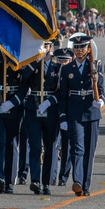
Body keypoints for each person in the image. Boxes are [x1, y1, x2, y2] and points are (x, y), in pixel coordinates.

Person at [57, 34, 105, 196]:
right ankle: (77, 181)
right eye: (76, 47)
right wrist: (63, 116)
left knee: (89, 151)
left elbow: (101, 89)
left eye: (82, 47)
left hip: (91, 111)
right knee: (77, 148)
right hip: (74, 111)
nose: (78, 51)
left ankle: (85, 185)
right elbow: (63, 95)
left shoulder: (95, 66)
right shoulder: (66, 69)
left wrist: (101, 101)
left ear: (88, 49)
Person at [19, 45, 70, 195]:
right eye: (41, 45)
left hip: (50, 111)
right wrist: (36, 62)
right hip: (33, 110)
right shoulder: (31, 64)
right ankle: (35, 180)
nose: (44, 48)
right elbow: (24, 78)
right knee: (35, 146)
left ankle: (46, 182)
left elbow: (62, 91)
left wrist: (50, 101)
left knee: (50, 147)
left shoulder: (57, 67)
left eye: (46, 45)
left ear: (51, 48)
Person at [0, 47, 27, 194]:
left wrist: (13, 102)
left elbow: (25, 84)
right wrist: (1, 56)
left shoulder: (21, 55)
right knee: (0, 140)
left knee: (12, 143)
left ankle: (9, 181)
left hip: (13, 107)